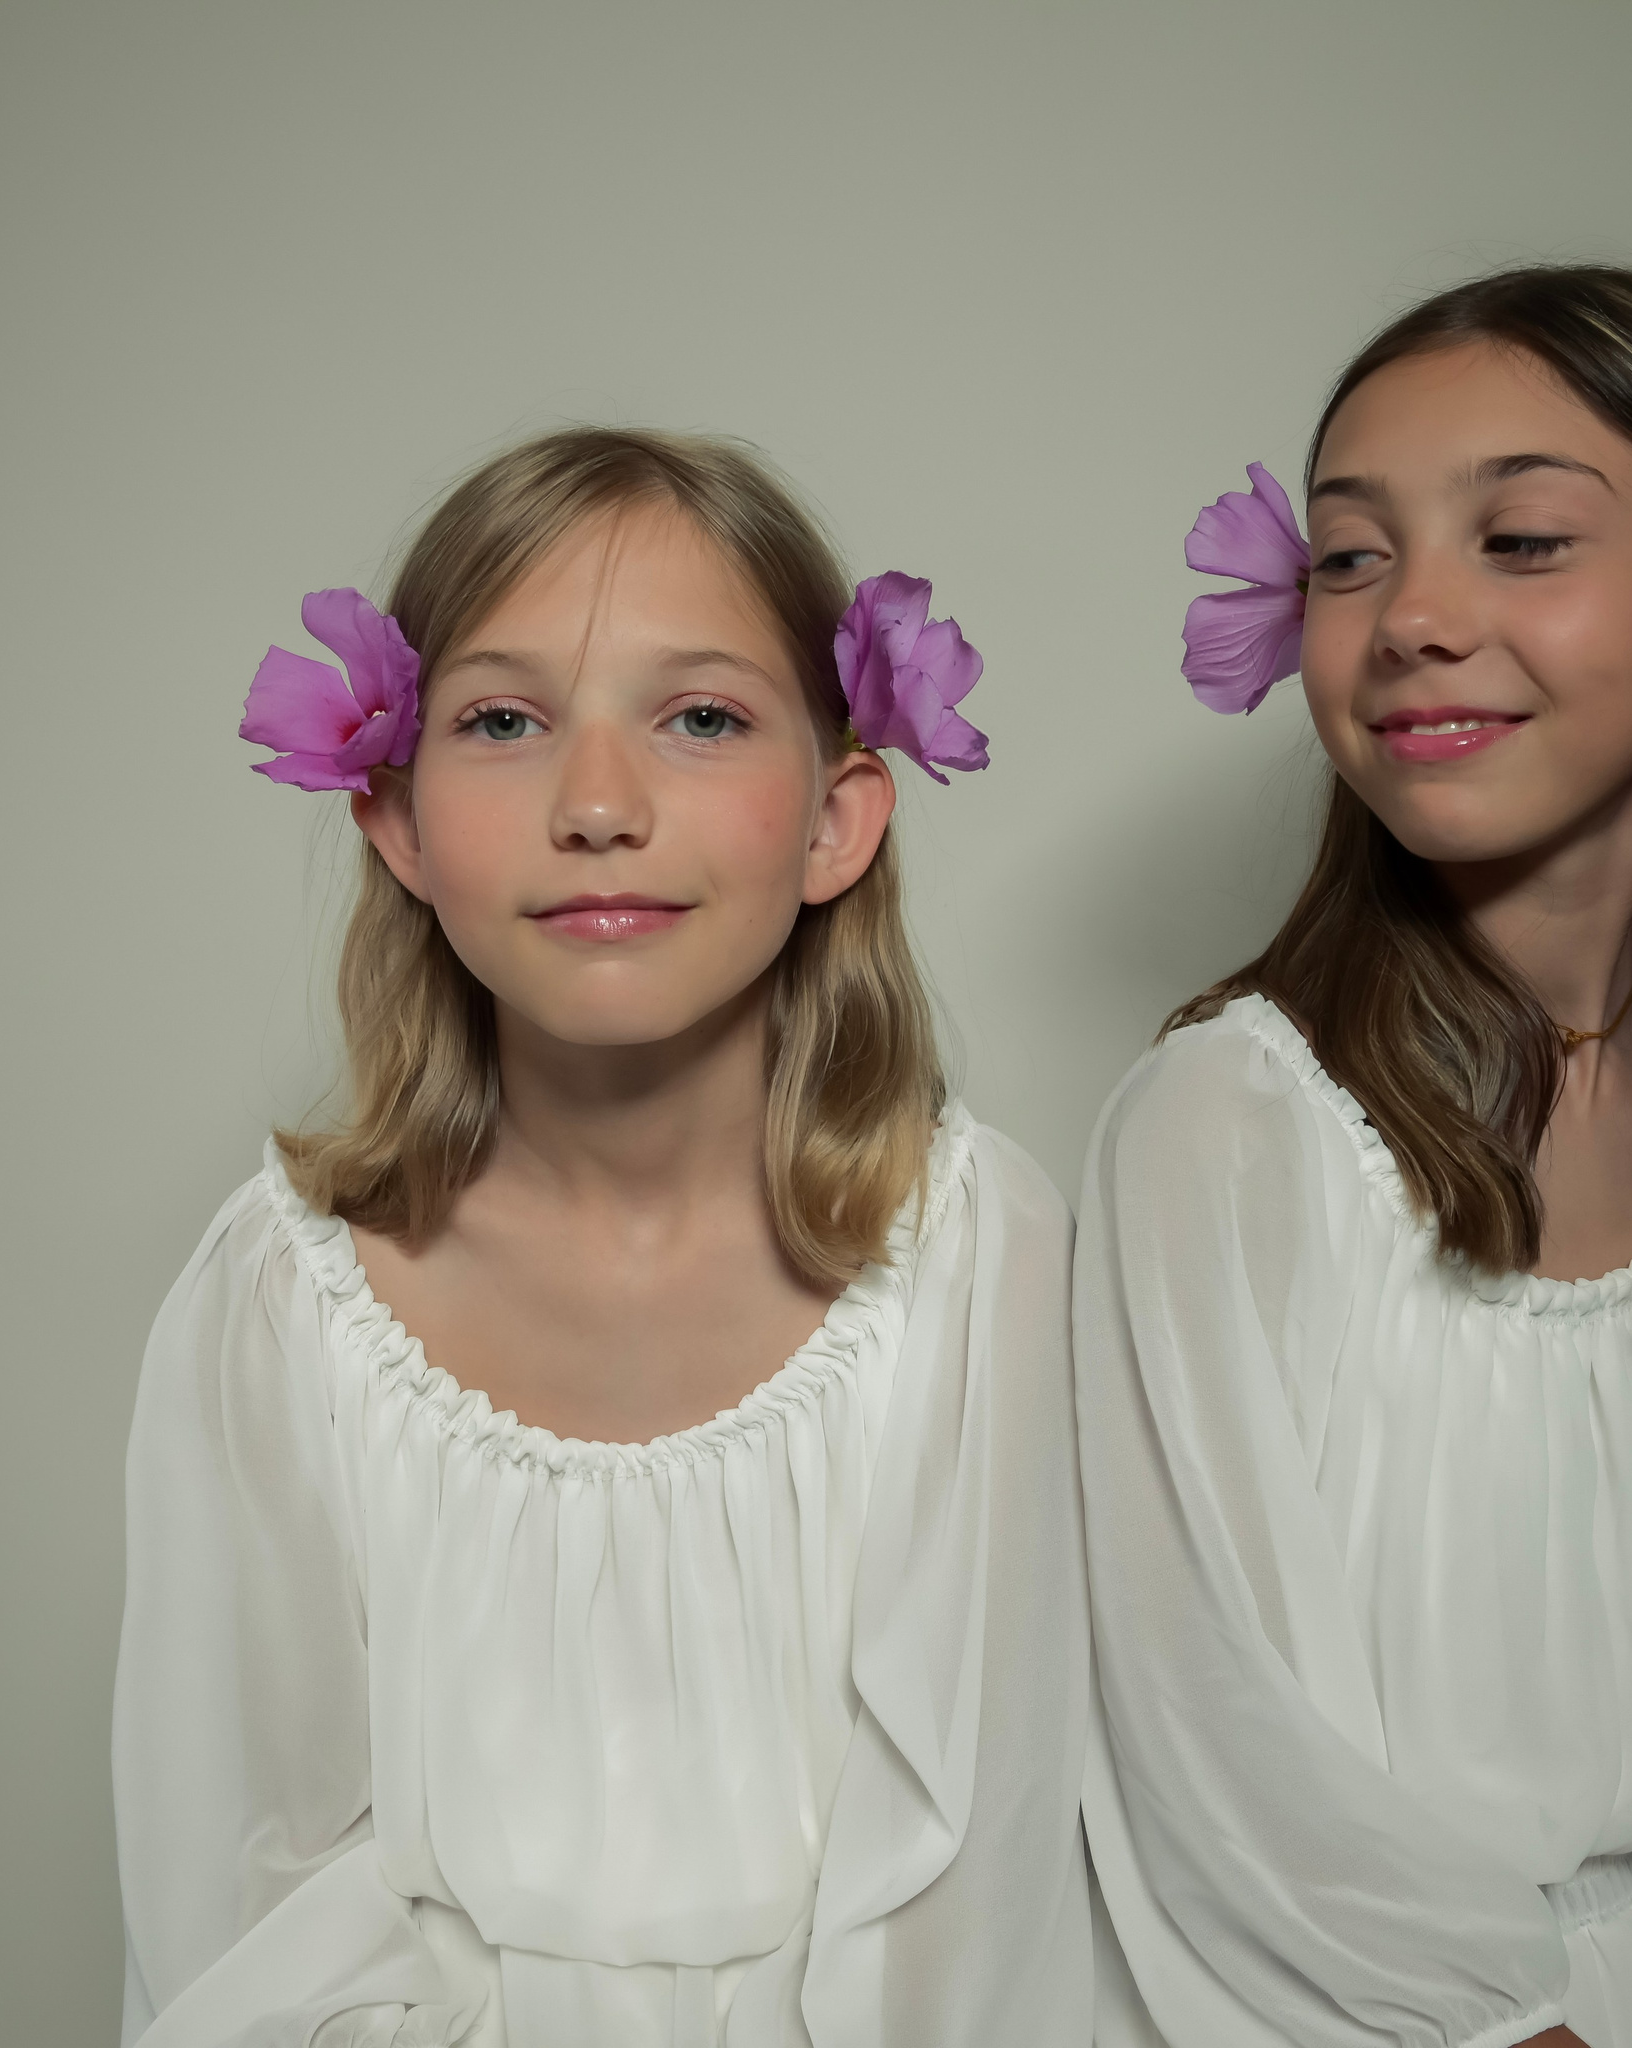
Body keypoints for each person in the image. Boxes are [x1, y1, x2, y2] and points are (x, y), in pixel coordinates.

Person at [113, 429, 1089, 2047]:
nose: (597, 803)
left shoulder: (986, 1254)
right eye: (503, 722)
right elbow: (247, 1899)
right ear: (400, 823)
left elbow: (995, 1886)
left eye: (700, 718)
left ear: (841, 819)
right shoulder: (283, 1293)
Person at [1079, 267, 1632, 2048]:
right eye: (1347, 554)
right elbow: (1243, 1826)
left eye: (1526, 539)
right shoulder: (1234, 1132)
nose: (1412, 618)